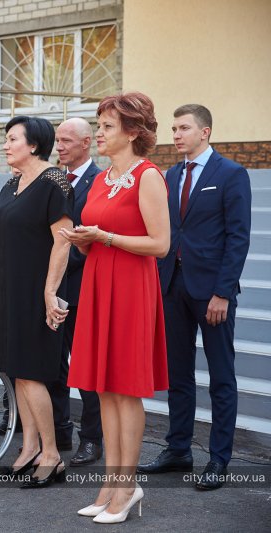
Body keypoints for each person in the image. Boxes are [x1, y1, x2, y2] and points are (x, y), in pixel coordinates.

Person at [61, 92, 170, 523]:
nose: (100, 133)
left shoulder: (148, 176)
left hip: (130, 288)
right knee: (104, 389)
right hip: (98, 281)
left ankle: (127, 488)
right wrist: (87, 242)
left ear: (133, 132)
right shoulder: (103, 179)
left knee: (125, 390)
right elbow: (100, 235)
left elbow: (160, 245)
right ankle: (110, 484)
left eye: (107, 126)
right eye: (100, 124)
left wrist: (103, 238)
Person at [138, 105, 252, 491]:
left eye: (184, 127)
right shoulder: (171, 175)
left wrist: (223, 292)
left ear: (205, 132)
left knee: (221, 377)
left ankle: (219, 459)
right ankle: (178, 450)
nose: (177, 134)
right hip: (172, 287)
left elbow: (238, 238)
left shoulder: (231, 174)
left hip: (213, 293)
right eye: (174, 128)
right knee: (178, 375)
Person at [0, 116, 73, 488]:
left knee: (32, 372)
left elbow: (64, 240)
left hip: (37, 292)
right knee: (16, 371)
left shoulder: (55, 181)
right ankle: (29, 448)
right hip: (10, 292)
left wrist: (49, 292)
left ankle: (52, 454)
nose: (6, 145)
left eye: (12, 139)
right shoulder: (10, 183)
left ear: (34, 144)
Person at [48, 117, 104, 465]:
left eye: (67, 140)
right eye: (57, 140)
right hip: (53, 285)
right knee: (54, 361)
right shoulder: (53, 178)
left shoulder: (99, 181)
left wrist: (61, 261)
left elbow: (91, 237)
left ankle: (92, 438)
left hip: (82, 284)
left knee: (85, 366)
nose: (59, 146)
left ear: (87, 142)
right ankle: (59, 430)